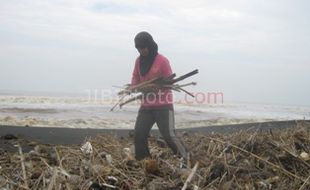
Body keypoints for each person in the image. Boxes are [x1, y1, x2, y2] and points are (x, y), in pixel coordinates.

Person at [131, 31, 188, 161]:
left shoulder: (162, 61)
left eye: (144, 48)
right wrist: (134, 86)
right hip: (146, 105)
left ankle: (185, 157)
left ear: (150, 45)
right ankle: (144, 160)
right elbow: (135, 76)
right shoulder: (138, 61)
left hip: (163, 105)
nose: (142, 51)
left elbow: (170, 81)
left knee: (169, 135)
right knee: (139, 134)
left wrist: (157, 86)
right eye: (139, 49)